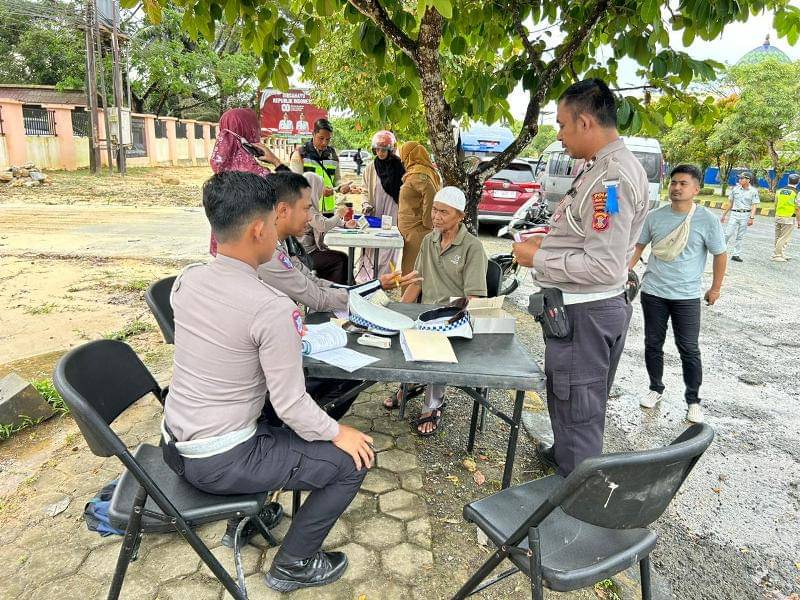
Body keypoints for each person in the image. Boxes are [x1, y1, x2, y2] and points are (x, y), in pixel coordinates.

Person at [165, 171, 374, 592]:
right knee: (352, 461)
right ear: (260, 229)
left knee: (285, 425)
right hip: (222, 459)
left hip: (174, 444)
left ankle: (252, 517)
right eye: (274, 227)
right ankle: (293, 565)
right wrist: (340, 433)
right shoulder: (271, 308)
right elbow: (292, 406)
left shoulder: (186, 281)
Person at [511, 78, 649, 477]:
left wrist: (538, 258)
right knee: (574, 402)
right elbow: (588, 237)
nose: (560, 135)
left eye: (562, 125)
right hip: (587, 311)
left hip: (586, 313)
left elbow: (604, 266)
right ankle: (565, 456)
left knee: (580, 407)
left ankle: (573, 506)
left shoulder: (611, 180)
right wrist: (549, 241)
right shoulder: (603, 168)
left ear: (585, 122)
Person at [628, 164, 727, 424]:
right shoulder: (655, 217)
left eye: (683, 183)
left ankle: (693, 400)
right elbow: (639, 246)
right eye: (673, 183)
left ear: (696, 189)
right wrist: (622, 272)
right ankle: (655, 388)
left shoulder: (706, 220)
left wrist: (715, 287)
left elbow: (720, 254)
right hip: (654, 292)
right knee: (653, 343)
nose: (676, 188)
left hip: (687, 296)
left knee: (689, 348)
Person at [390, 187, 488, 435]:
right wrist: (399, 309)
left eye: (444, 212)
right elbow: (417, 281)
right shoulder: (428, 240)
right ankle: (411, 383)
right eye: (434, 210)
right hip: (428, 312)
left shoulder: (472, 247)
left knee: (436, 345)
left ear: (460, 215)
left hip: (455, 317)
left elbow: (473, 298)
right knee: (401, 332)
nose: (436, 216)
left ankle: (432, 406)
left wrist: (450, 321)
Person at [257, 171, 421, 314]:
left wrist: (376, 285)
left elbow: (314, 283)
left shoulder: (283, 245)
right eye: (305, 209)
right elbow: (318, 298)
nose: (309, 217)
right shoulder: (269, 255)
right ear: (283, 210)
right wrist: (377, 286)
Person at [208, 107, 287, 256]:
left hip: (224, 258)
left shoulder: (219, 174)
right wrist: (276, 161)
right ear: (250, 131)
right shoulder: (259, 175)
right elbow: (295, 193)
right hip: (255, 260)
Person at [355, 130, 405, 283]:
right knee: (371, 246)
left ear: (390, 150)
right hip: (375, 212)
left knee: (388, 247)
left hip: (393, 211)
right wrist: (365, 204)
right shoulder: (371, 167)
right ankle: (367, 280)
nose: (380, 152)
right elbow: (364, 189)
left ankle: (386, 281)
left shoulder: (400, 167)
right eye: (377, 149)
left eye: (384, 149)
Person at [299, 172, 357, 284]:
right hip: (305, 254)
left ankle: (337, 289)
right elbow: (322, 226)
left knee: (339, 257)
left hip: (308, 251)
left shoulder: (306, 204)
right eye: (320, 188)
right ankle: (339, 292)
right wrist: (339, 215)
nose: (321, 192)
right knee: (340, 259)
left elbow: (321, 220)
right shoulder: (305, 207)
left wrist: (344, 224)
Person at [398, 141, 441, 276]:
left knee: (411, 273)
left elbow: (431, 195)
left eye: (404, 155)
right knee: (412, 271)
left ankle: (408, 298)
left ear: (410, 155)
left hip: (416, 232)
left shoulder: (419, 174)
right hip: (412, 231)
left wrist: (428, 223)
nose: (402, 159)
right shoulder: (418, 171)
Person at [289, 118, 350, 212]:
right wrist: (318, 191)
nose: (324, 143)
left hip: (328, 211)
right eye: (321, 138)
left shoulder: (333, 154)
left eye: (328, 139)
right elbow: (295, 184)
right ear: (313, 134)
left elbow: (336, 180)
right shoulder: (300, 154)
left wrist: (341, 187)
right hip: (308, 210)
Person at [720, 172, 759, 263]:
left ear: (748, 180)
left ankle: (736, 255)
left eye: (742, 178)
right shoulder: (735, 189)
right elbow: (730, 203)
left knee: (740, 236)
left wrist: (751, 218)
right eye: (739, 178)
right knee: (728, 233)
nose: (740, 180)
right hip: (734, 214)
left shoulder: (753, 191)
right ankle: (721, 251)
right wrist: (724, 215)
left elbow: (754, 205)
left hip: (745, 215)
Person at [771, 173, 799, 261]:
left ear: (788, 180)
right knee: (784, 237)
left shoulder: (779, 191)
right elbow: (798, 208)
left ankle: (779, 253)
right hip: (788, 217)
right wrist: (799, 221)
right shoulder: (796, 193)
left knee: (778, 236)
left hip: (778, 215)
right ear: (798, 182)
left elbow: (776, 204)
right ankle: (777, 255)